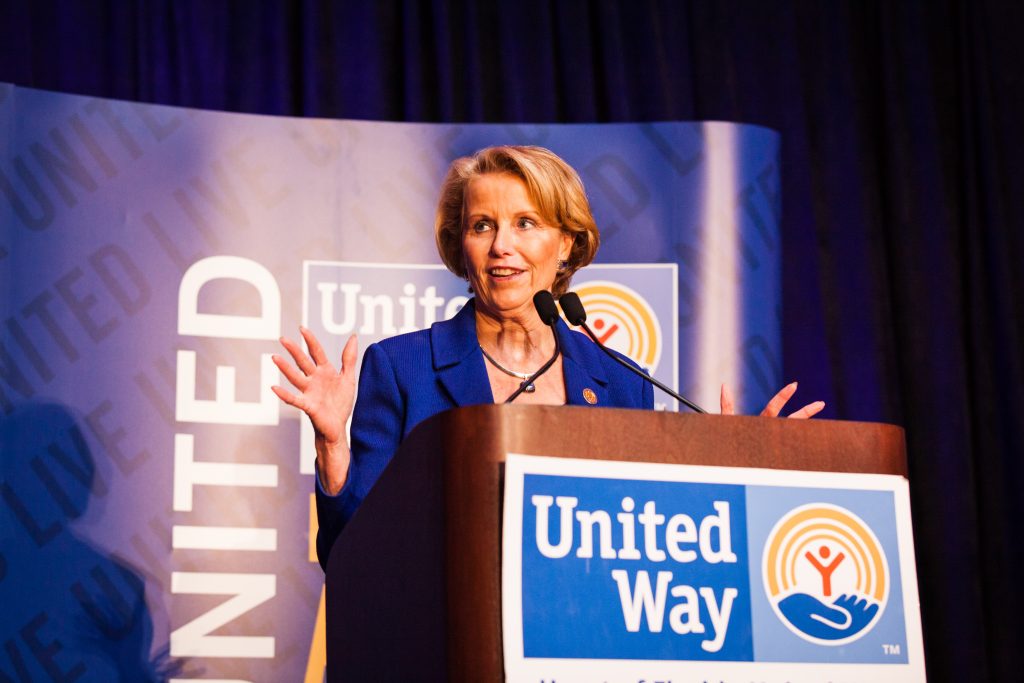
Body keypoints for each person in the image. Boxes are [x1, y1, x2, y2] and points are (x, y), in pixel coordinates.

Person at [271, 145, 824, 570]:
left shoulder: (621, 382)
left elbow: (656, 545)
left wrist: (736, 476)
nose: (501, 245)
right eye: (482, 225)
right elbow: (351, 555)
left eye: (525, 223)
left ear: (565, 244)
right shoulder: (402, 369)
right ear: (461, 246)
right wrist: (332, 445)